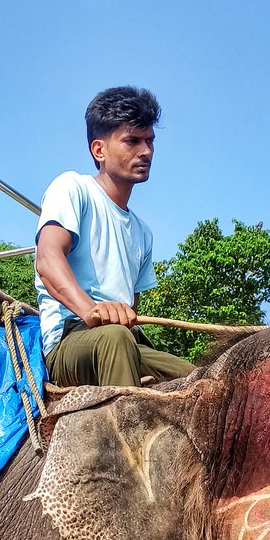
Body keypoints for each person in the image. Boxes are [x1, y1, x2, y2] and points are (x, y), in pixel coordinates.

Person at [34, 87, 194, 388]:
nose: (145, 151)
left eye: (149, 141)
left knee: (198, 377)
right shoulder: (72, 188)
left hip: (125, 340)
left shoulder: (143, 232)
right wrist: (91, 310)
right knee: (115, 339)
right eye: (132, 141)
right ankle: (122, 436)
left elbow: (130, 309)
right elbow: (47, 260)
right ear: (99, 150)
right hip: (71, 341)